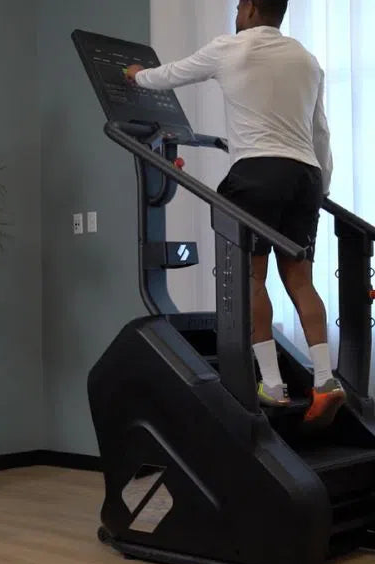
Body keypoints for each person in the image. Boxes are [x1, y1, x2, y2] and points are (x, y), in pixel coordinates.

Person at [124, 0, 345, 426]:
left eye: (239, 6)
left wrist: (136, 76)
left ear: (248, 9)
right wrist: (322, 187)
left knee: (250, 277)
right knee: (299, 278)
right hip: (305, 175)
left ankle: (274, 386)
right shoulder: (306, 59)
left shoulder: (231, 48)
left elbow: (169, 75)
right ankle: (324, 380)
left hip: (257, 172)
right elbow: (321, 131)